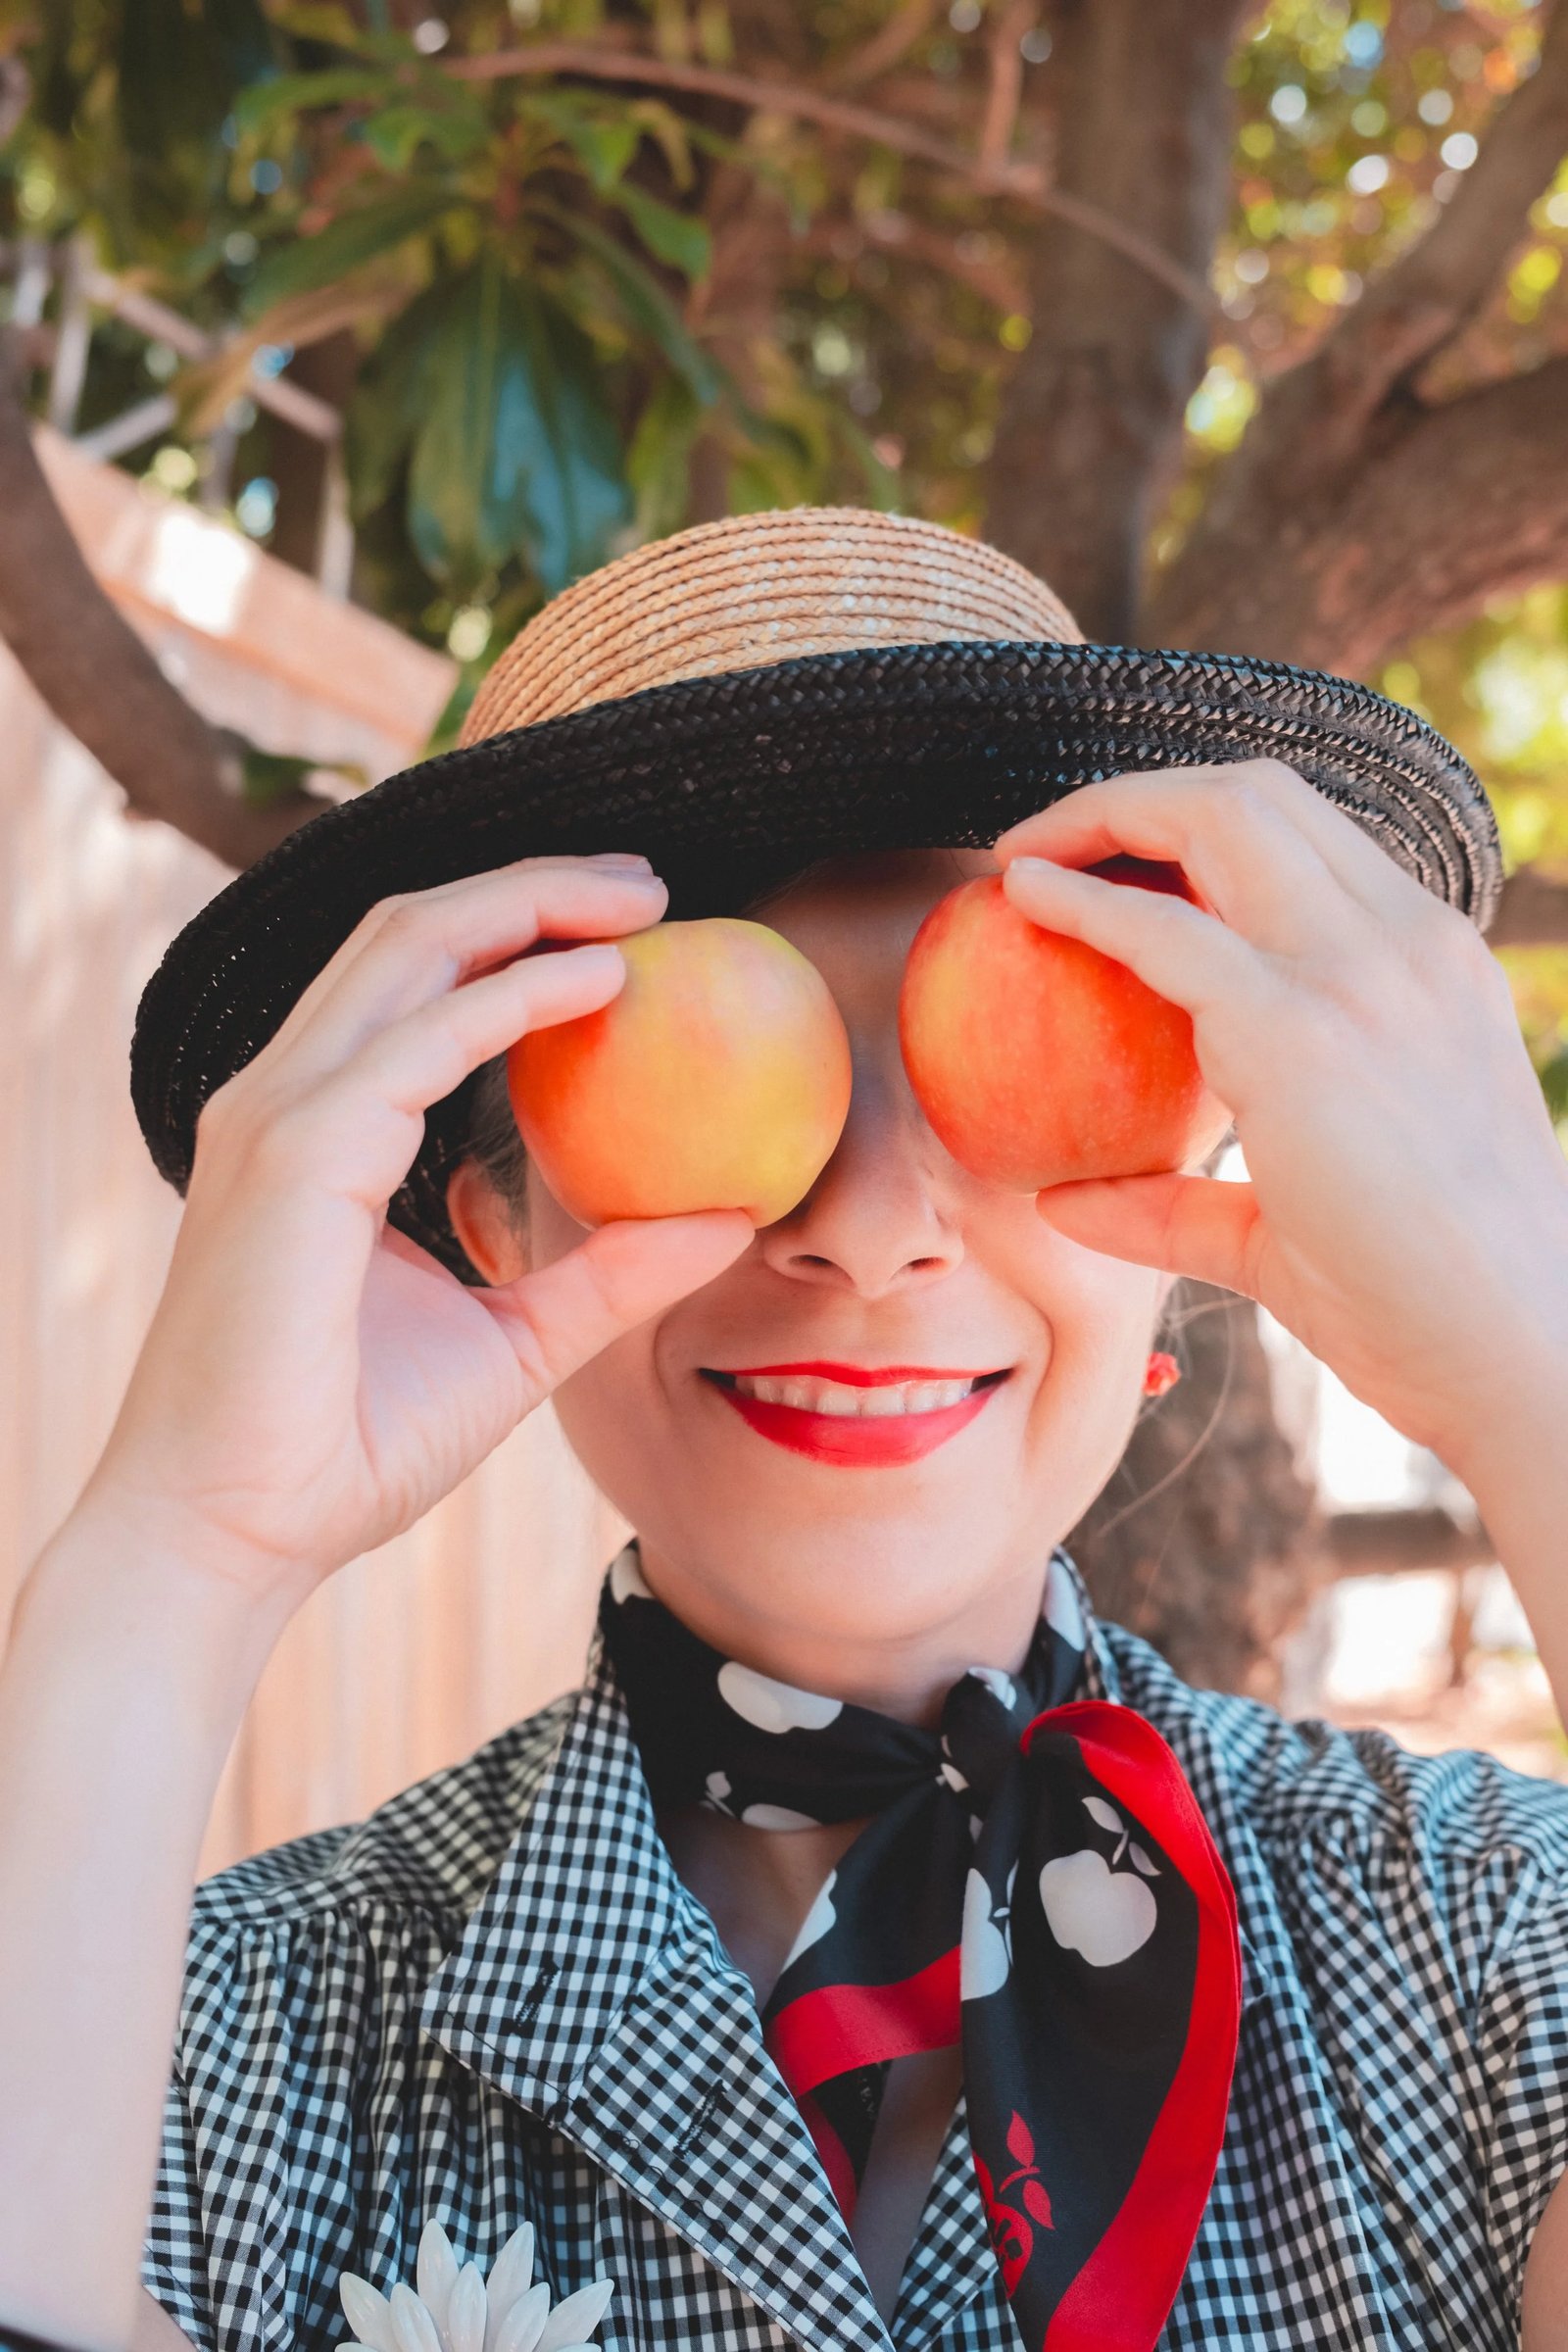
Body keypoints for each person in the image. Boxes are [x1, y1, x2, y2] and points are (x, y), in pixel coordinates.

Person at [1, 508, 1566, 2352]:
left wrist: (1532, 1389)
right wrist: (171, 1560)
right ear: (496, 1228)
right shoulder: (192, 2056)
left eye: (1009, 1069)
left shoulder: (1488, 1939)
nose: (868, 1224)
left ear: (1178, 1200)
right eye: (727, 1090)